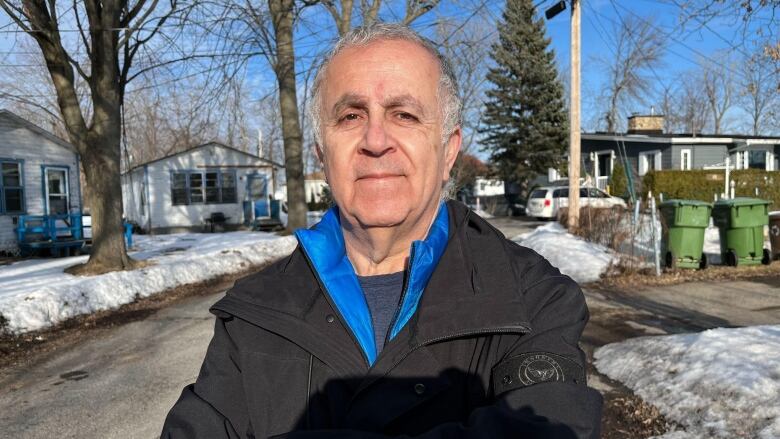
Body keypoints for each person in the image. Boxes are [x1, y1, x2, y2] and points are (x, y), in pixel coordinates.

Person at [162, 23, 602, 438]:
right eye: (351, 116)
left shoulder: (533, 299)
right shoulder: (254, 312)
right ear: (322, 154)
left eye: (405, 114)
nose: (375, 141)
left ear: (448, 149)